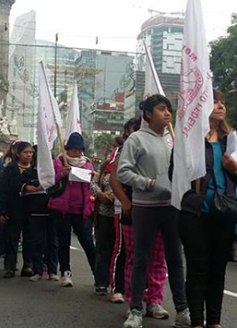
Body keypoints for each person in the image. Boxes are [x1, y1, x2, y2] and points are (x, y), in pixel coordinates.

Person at [175, 90, 237, 328]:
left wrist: (235, 169)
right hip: (194, 212)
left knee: (218, 268)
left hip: (224, 212)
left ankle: (214, 323)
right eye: (215, 101)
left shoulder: (231, 140)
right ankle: (196, 324)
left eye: (223, 103)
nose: (220, 106)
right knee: (197, 266)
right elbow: (175, 173)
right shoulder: (191, 140)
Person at [118, 95, 190, 328]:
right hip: (145, 207)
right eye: (161, 109)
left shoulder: (173, 140)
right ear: (148, 114)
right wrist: (148, 184)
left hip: (171, 207)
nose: (167, 113)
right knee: (141, 258)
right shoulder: (136, 139)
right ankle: (136, 310)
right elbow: (123, 173)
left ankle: (182, 310)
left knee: (175, 259)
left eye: (168, 109)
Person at [111, 117, 169, 311]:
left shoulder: (166, 145)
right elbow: (116, 178)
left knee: (158, 259)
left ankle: (154, 300)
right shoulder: (128, 148)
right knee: (135, 258)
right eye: (130, 132)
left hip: (161, 208)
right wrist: (125, 201)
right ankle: (132, 300)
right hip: (134, 210)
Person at [49, 132, 96, 287]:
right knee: (64, 241)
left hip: (81, 210)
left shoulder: (87, 163)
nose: (77, 153)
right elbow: (51, 180)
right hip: (62, 209)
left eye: (80, 150)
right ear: (68, 149)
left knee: (88, 243)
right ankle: (65, 272)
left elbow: (90, 184)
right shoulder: (60, 161)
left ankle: (98, 274)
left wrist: (92, 176)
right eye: (74, 149)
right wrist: (62, 173)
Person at [0, 141, 35, 279]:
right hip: (12, 209)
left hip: (31, 209)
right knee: (12, 239)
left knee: (29, 238)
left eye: (30, 152)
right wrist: (2, 211)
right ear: (18, 153)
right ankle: (10, 267)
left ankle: (28, 265)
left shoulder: (35, 170)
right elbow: (2, 191)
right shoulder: (10, 169)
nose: (29, 155)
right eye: (26, 152)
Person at [21, 146, 58, 282]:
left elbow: (60, 187)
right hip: (35, 212)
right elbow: (20, 187)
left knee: (52, 242)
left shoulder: (55, 173)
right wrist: (26, 187)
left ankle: (53, 270)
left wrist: (49, 185)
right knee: (37, 242)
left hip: (53, 211)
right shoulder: (29, 172)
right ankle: (37, 271)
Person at [93, 139, 122, 297]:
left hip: (122, 213)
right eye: (114, 147)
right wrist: (101, 194)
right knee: (103, 248)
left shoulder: (127, 166)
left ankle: (118, 285)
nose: (116, 150)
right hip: (104, 214)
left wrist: (118, 195)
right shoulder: (104, 167)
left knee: (119, 251)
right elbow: (93, 183)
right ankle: (101, 282)